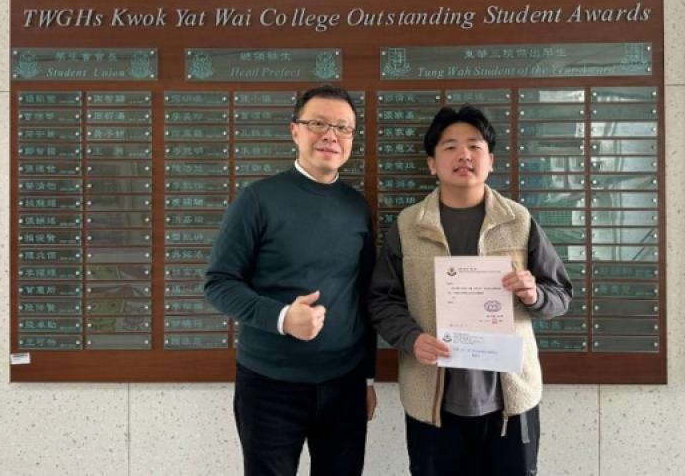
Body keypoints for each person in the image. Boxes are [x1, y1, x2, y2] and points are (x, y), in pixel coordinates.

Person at [368, 105, 572, 476]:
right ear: (432, 163)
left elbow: (559, 294)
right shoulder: (408, 225)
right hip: (432, 403)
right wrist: (411, 338)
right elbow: (382, 300)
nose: (464, 155)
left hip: (510, 402)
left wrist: (534, 295)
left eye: (475, 146)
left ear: (490, 160)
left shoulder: (518, 220)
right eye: (450, 147)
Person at [204, 85, 377, 476]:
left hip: (345, 383)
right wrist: (282, 317)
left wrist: (367, 378)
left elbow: (364, 294)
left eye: (343, 128)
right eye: (318, 124)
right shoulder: (257, 199)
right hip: (270, 385)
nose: (331, 135)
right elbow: (218, 282)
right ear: (295, 130)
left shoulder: (356, 207)